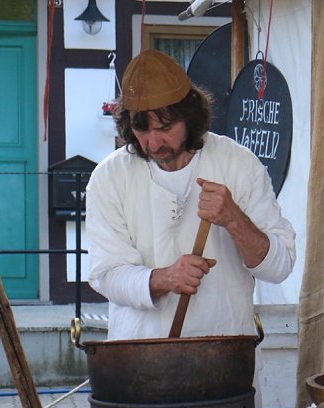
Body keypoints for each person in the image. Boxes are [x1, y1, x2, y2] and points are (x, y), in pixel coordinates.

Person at [86, 50, 295, 340]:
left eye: (165, 127)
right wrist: (163, 278)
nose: (154, 143)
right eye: (141, 129)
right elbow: (106, 274)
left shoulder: (237, 164)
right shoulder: (110, 177)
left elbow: (279, 266)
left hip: (226, 349)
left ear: (189, 116)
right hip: (139, 353)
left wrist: (234, 219)